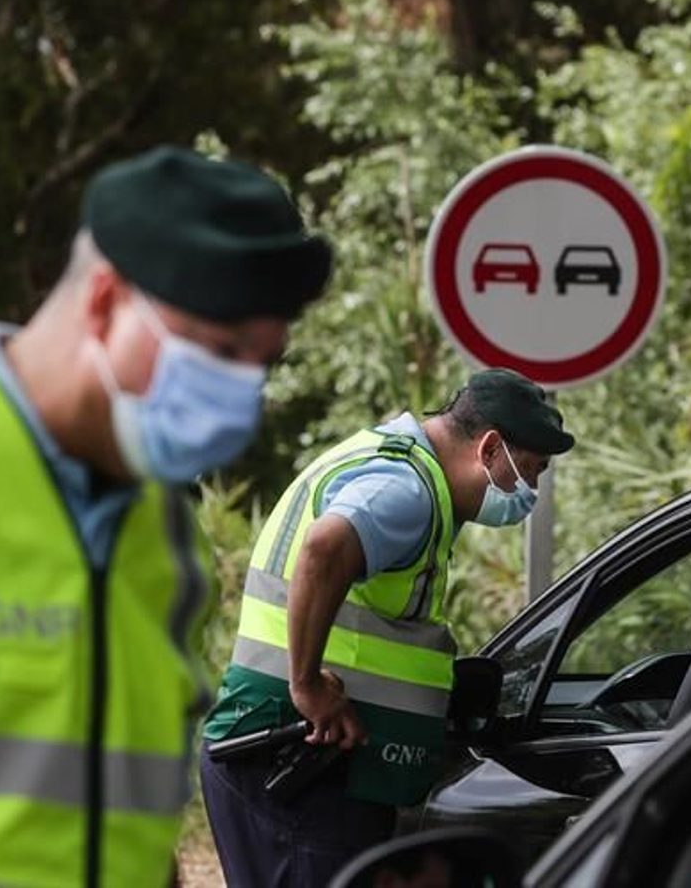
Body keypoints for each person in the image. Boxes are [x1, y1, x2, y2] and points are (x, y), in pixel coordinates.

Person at [0, 146, 331, 887]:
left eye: (260, 363)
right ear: (105, 301)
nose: (240, 392)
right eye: (220, 349)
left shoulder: (165, 535)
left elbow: (115, 819)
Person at [200, 367, 575, 886]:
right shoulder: (406, 490)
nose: (527, 489)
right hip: (295, 762)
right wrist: (306, 683)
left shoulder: (391, 458)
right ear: (490, 449)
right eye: (529, 470)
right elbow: (324, 548)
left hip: (294, 759)